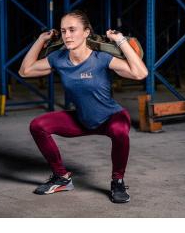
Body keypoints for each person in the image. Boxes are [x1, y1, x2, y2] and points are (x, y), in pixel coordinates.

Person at [19, 10, 148, 203]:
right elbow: (25, 71)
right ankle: (61, 178)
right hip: (82, 119)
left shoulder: (101, 58)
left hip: (111, 117)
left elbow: (140, 73)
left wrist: (121, 41)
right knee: (38, 125)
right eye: (63, 31)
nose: (67, 35)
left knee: (120, 131)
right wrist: (40, 40)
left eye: (72, 30)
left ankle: (118, 182)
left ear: (86, 32)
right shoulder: (59, 59)